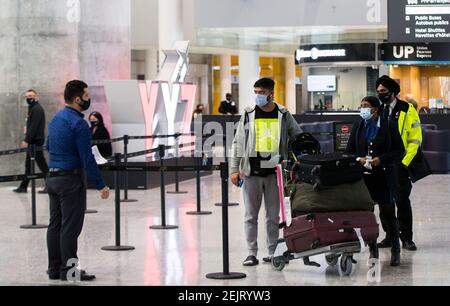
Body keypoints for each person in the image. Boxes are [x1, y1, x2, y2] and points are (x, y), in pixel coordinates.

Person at [230, 78, 301, 266]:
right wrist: (234, 169)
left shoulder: (283, 114)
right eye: (256, 92)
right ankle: (251, 253)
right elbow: (238, 142)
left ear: (271, 93)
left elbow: (298, 136)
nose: (258, 96)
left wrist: (295, 160)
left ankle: (272, 252)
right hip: (251, 173)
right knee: (250, 216)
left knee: (272, 216)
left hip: (275, 174)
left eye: (261, 92)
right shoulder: (248, 113)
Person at [46, 80, 110, 282]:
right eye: (86, 95)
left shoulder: (56, 119)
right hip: (70, 180)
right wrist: (100, 184)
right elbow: (87, 157)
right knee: (70, 227)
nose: (89, 98)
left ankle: (54, 268)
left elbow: (47, 146)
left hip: (52, 178)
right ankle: (70, 270)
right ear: (77, 99)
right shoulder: (79, 124)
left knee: (55, 224)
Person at [347, 96, 405, 266]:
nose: (362, 109)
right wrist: (359, 159)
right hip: (364, 177)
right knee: (367, 215)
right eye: (361, 105)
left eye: (366, 106)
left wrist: (381, 159)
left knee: (388, 213)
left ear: (376, 110)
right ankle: (373, 249)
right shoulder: (359, 126)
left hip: (384, 176)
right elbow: (349, 151)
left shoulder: (389, 126)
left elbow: (399, 150)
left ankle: (396, 249)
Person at [376, 75, 422, 251]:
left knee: (402, 201)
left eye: (384, 91)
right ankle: (389, 235)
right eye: (379, 92)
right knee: (384, 203)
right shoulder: (379, 111)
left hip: (400, 164)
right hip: (382, 163)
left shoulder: (407, 109)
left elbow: (415, 140)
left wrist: (404, 163)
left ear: (393, 92)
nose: (381, 95)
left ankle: (407, 238)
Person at [14, 89, 49, 194]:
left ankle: (50, 185)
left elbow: (34, 127)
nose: (29, 98)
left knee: (41, 163)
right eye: (27, 96)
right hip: (33, 140)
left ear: (36, 97)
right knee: (29, 164)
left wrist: (26, 140)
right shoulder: (32, 108)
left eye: (31, 96)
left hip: (35, 141)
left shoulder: (37, 109)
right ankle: (23, 186)